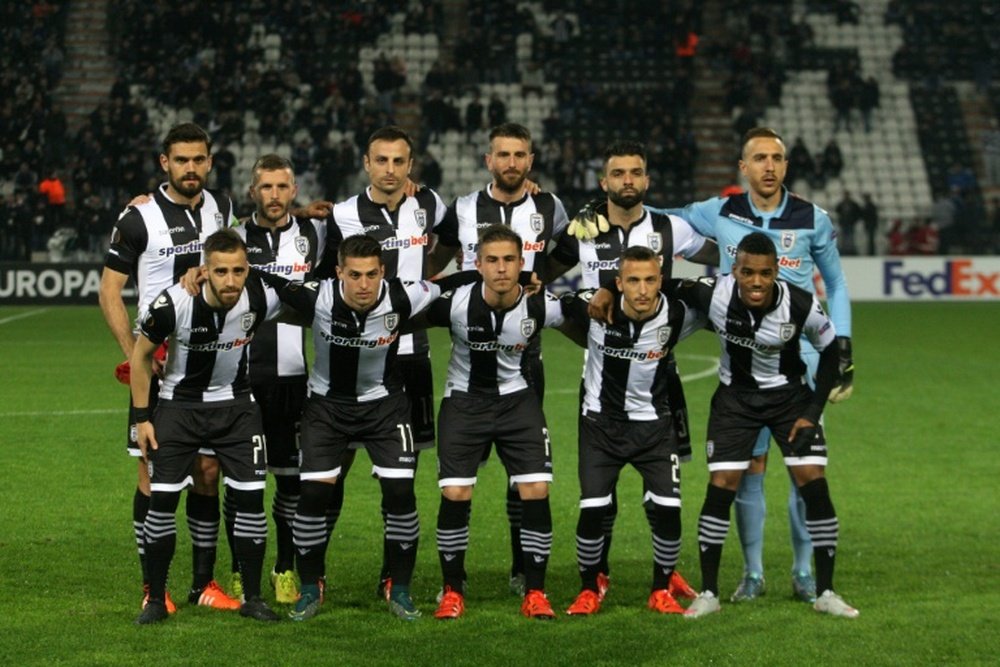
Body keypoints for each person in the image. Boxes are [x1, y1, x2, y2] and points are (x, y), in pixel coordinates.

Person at [650, 128, 854, 605]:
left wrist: (841, 349)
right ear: (743, 167)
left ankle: (805, 573)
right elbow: (662, 221)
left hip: (799, 360)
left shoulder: (812, 218)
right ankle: (753, 572)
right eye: (759, 158)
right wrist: (606, 213)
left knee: (804, 468)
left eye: (777, 158)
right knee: (748, 468)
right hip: (742, 358)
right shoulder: (719, 211)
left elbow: (837, 285)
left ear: (786, 165)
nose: (768, 166)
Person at [545, 140, 717, 600]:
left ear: (646, 180)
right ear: (605, 182)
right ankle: (596, 574)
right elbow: (544, 267)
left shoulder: (669, 228)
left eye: (635, 172)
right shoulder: (584, 225)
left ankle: (667, 569)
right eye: (618, 173)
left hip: (660, 370)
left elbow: (719, 259)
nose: (627, 180)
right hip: (602, 364)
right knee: (600, 492)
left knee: (665, 485)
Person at [676, 232, 859, 619]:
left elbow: (830, 354)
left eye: (763, 273)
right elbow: (662, 283)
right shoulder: (712, 292)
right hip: (734, 401)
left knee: (813, 479)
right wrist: (609, 292)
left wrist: (812, 410)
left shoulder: (800, 303)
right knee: (722, 484)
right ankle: (709, 592)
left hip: (789, 400)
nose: (755, 282)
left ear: (776, 271)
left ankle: (825, 590)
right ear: (734, 270)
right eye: (746, 272)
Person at [262, 234, 443, 622]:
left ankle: (401, 588)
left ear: (383, 272)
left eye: (372, 274)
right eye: (355, 275)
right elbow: (268, 281)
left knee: (400, 492)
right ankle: (311, 588)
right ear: (339, 272)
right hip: (327, 409)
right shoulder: (319, 296)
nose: (364, 284)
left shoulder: (402, 296)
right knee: (312, 495)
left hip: (386, 407)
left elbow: (454, 284)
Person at [99, 122, 239, 616]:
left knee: (207, 470)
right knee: (153, 473)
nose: (191, 169)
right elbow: (109, 291)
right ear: (165, 163)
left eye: (199, 159)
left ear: (209, 162)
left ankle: (204, 583)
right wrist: (134, 351)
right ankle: (150, 587)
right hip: (159, 369)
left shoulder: (221, 208)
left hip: (211, 365)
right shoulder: (139, 218)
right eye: (182, 160)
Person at [428, 122, 569, 596]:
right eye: (503, 155)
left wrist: (539, 281)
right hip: (472, 348)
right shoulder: (463, 208)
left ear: (531, 160)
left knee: (524, 478)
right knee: (459, 482)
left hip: (526, 361)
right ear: (488, 160)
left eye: (520, 155)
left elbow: (567, 252)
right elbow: (435, 260)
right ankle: (456, 582)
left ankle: (521, 571)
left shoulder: (549, 206)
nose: (512, 163)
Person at [315, 126, 448, 600]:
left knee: (401, 479)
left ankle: (395, 580)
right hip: (351, 362)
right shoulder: (344, 214)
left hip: (410, 357)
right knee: (334, 473)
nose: (390, 170)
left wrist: (429, 279)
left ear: (410, 165)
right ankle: (315, 576)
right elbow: (322, 281)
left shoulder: (429, 204)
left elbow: (454, 241)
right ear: (366, 164)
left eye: (399, 161)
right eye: (381, 161)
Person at [417, 225, 577, 620]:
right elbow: (404, 314)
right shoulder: (454, 304)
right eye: (492, 260)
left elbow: (583, 318)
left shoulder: (540, 304)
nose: (501, 269)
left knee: (536, 488)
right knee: (456, 494)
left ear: (522, 264)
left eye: (509, 260)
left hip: (517, 402)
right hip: (464, 402)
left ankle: (535, 591)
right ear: (478, 264)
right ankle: (453, 589)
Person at [130, 229, 283, 624]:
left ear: (247, 268)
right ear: (204, 270)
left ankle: (252, 597)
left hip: (237, 408)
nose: (230, 281)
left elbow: (312, 300)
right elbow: (141, 357)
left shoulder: (261, 296)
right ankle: (155, 600)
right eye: (220, 272)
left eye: (237, 271)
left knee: (251, 500)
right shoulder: (174, 302)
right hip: (178, 409)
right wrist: (142, 420)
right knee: (162, 502)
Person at [561, 247, 702, 616]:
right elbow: (552, 304)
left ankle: (660, 588)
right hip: (600, 427)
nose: (642, 290)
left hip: (654, 429)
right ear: (618, 283)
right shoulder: (592, 308)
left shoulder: (677, 313)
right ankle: (590, 587)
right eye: (633, 281)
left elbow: (722, 297)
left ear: (661, 282)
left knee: (669, 510)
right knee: (593, 510)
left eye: (651, 280)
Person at [230, 154, 327, 603]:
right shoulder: (232, 238)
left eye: (281, 187)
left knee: (290, 481)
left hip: (292, 377)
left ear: (294, 191)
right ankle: (238, 570)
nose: (273, 195)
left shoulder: (315, 233)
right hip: (240, 377)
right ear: (253, 192)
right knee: (242, 483)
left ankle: (285, 569)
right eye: (265, 187)